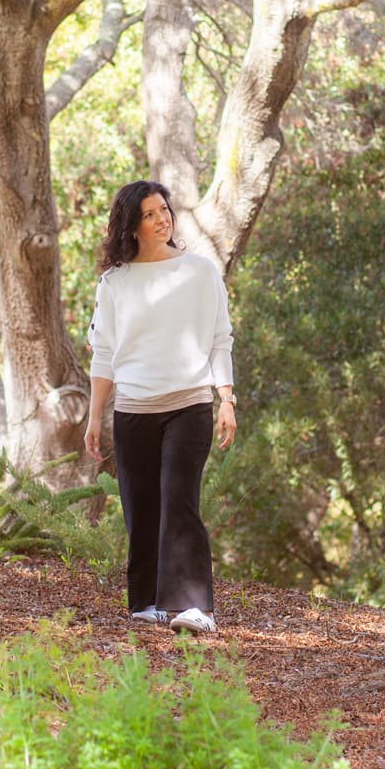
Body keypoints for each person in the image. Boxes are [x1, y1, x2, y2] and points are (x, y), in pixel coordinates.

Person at [84, 179, 237, 634]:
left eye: (164, 210)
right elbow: (103, 353)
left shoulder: (199, 272)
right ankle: (146, 603)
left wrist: (226, 398)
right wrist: (94, 417)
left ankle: (195, 608)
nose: (161, 219)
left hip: (188, 404)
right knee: (141, 505)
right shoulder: (114, 283)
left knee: (179, 499)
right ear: (131, 226)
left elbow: (220, 339)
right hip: (133, 409)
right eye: (149, 214)